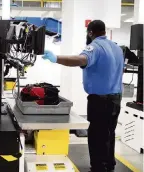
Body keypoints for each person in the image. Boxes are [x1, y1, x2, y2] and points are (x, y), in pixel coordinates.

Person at [42, 20, 124, 172]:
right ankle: (109, 165)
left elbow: (81, 59)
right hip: (116, 99)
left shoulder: (95, 47)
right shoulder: (117, 48)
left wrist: (56, 58)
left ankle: (98, 168)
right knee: (109, 134)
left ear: (91, 32)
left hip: (100, 101)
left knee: (96, 136)